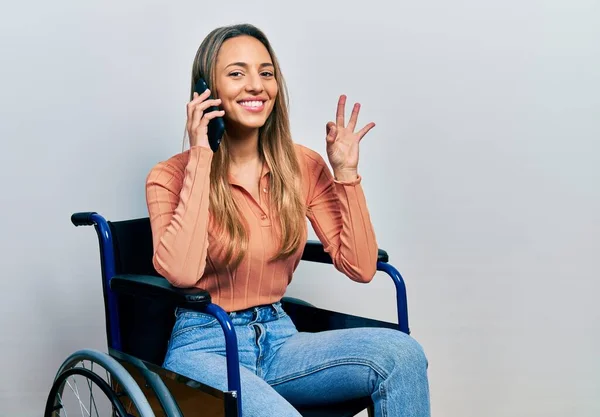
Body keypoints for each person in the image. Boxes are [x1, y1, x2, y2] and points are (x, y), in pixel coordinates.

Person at [145, 23, 430, 417]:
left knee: (403, 355)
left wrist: (346, 175)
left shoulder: (302, 165)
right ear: (204, 91)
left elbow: (363, 268)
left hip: (279, 338)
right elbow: (181, 272)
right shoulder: (169, 176)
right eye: (236, 73)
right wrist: (201, 153)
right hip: (206, 342)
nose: (256, 85)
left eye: (266, 72)